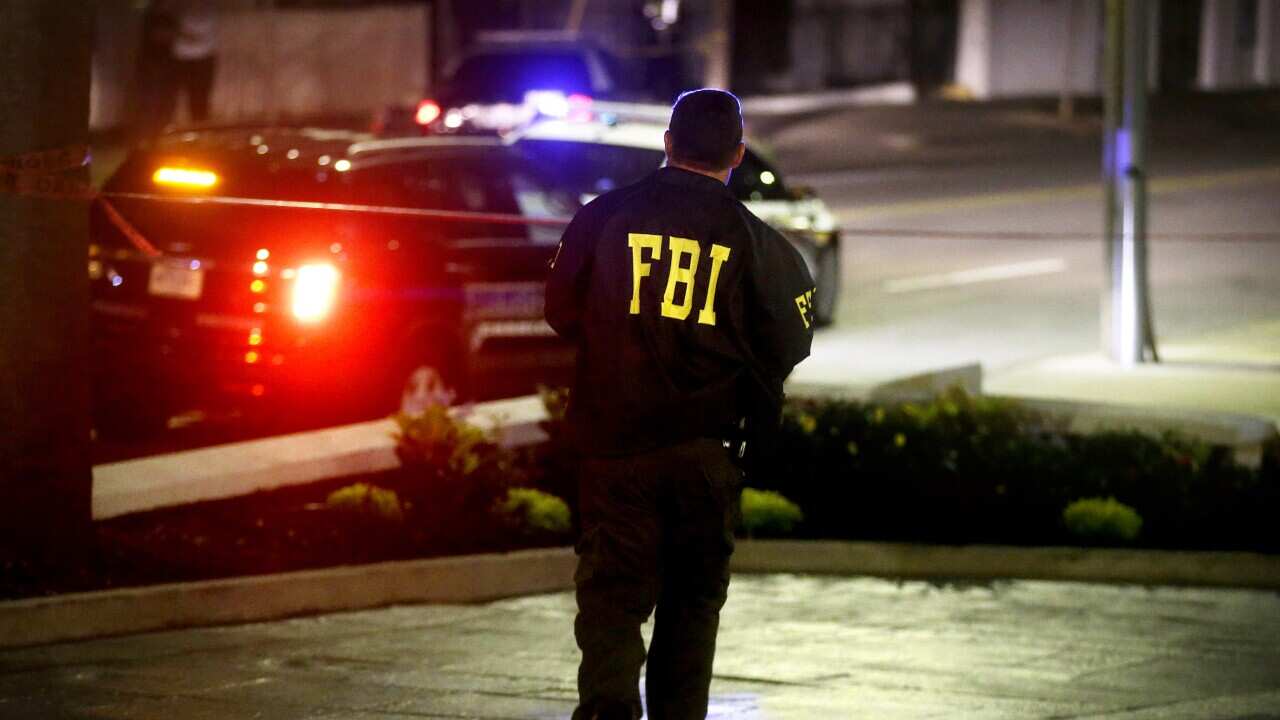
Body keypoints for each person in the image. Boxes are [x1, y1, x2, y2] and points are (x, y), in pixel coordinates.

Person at [545, 88, 815, 720]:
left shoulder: (603, 217)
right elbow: (788, 341)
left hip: (613, 452)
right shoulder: (759, 244)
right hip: (707, 456)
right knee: (691, 613)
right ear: (738, 155)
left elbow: (561, 311)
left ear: (668, 145)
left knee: (611, 608)